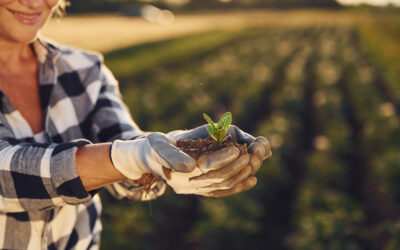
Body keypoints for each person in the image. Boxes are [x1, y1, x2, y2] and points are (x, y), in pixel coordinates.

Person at [0, 0, 272, 249]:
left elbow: (128, 154)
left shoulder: (84, 70)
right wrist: (130, 157)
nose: (34, 2)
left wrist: (176, 154)